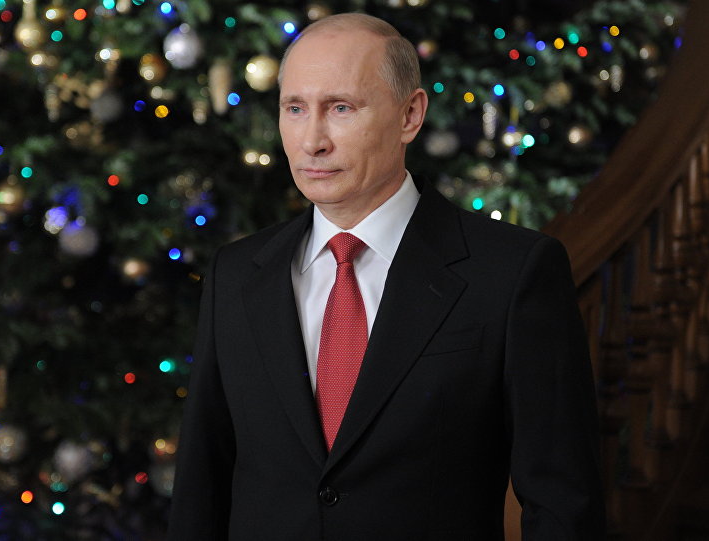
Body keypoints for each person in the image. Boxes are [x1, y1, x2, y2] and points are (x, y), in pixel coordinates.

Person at [167, 12, 605, 541]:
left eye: (341, 108)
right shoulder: (236, 274)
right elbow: (201, 489)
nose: (312, 141)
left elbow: (563, 505)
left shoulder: (512, 272)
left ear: (410, 116)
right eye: (295, 108)